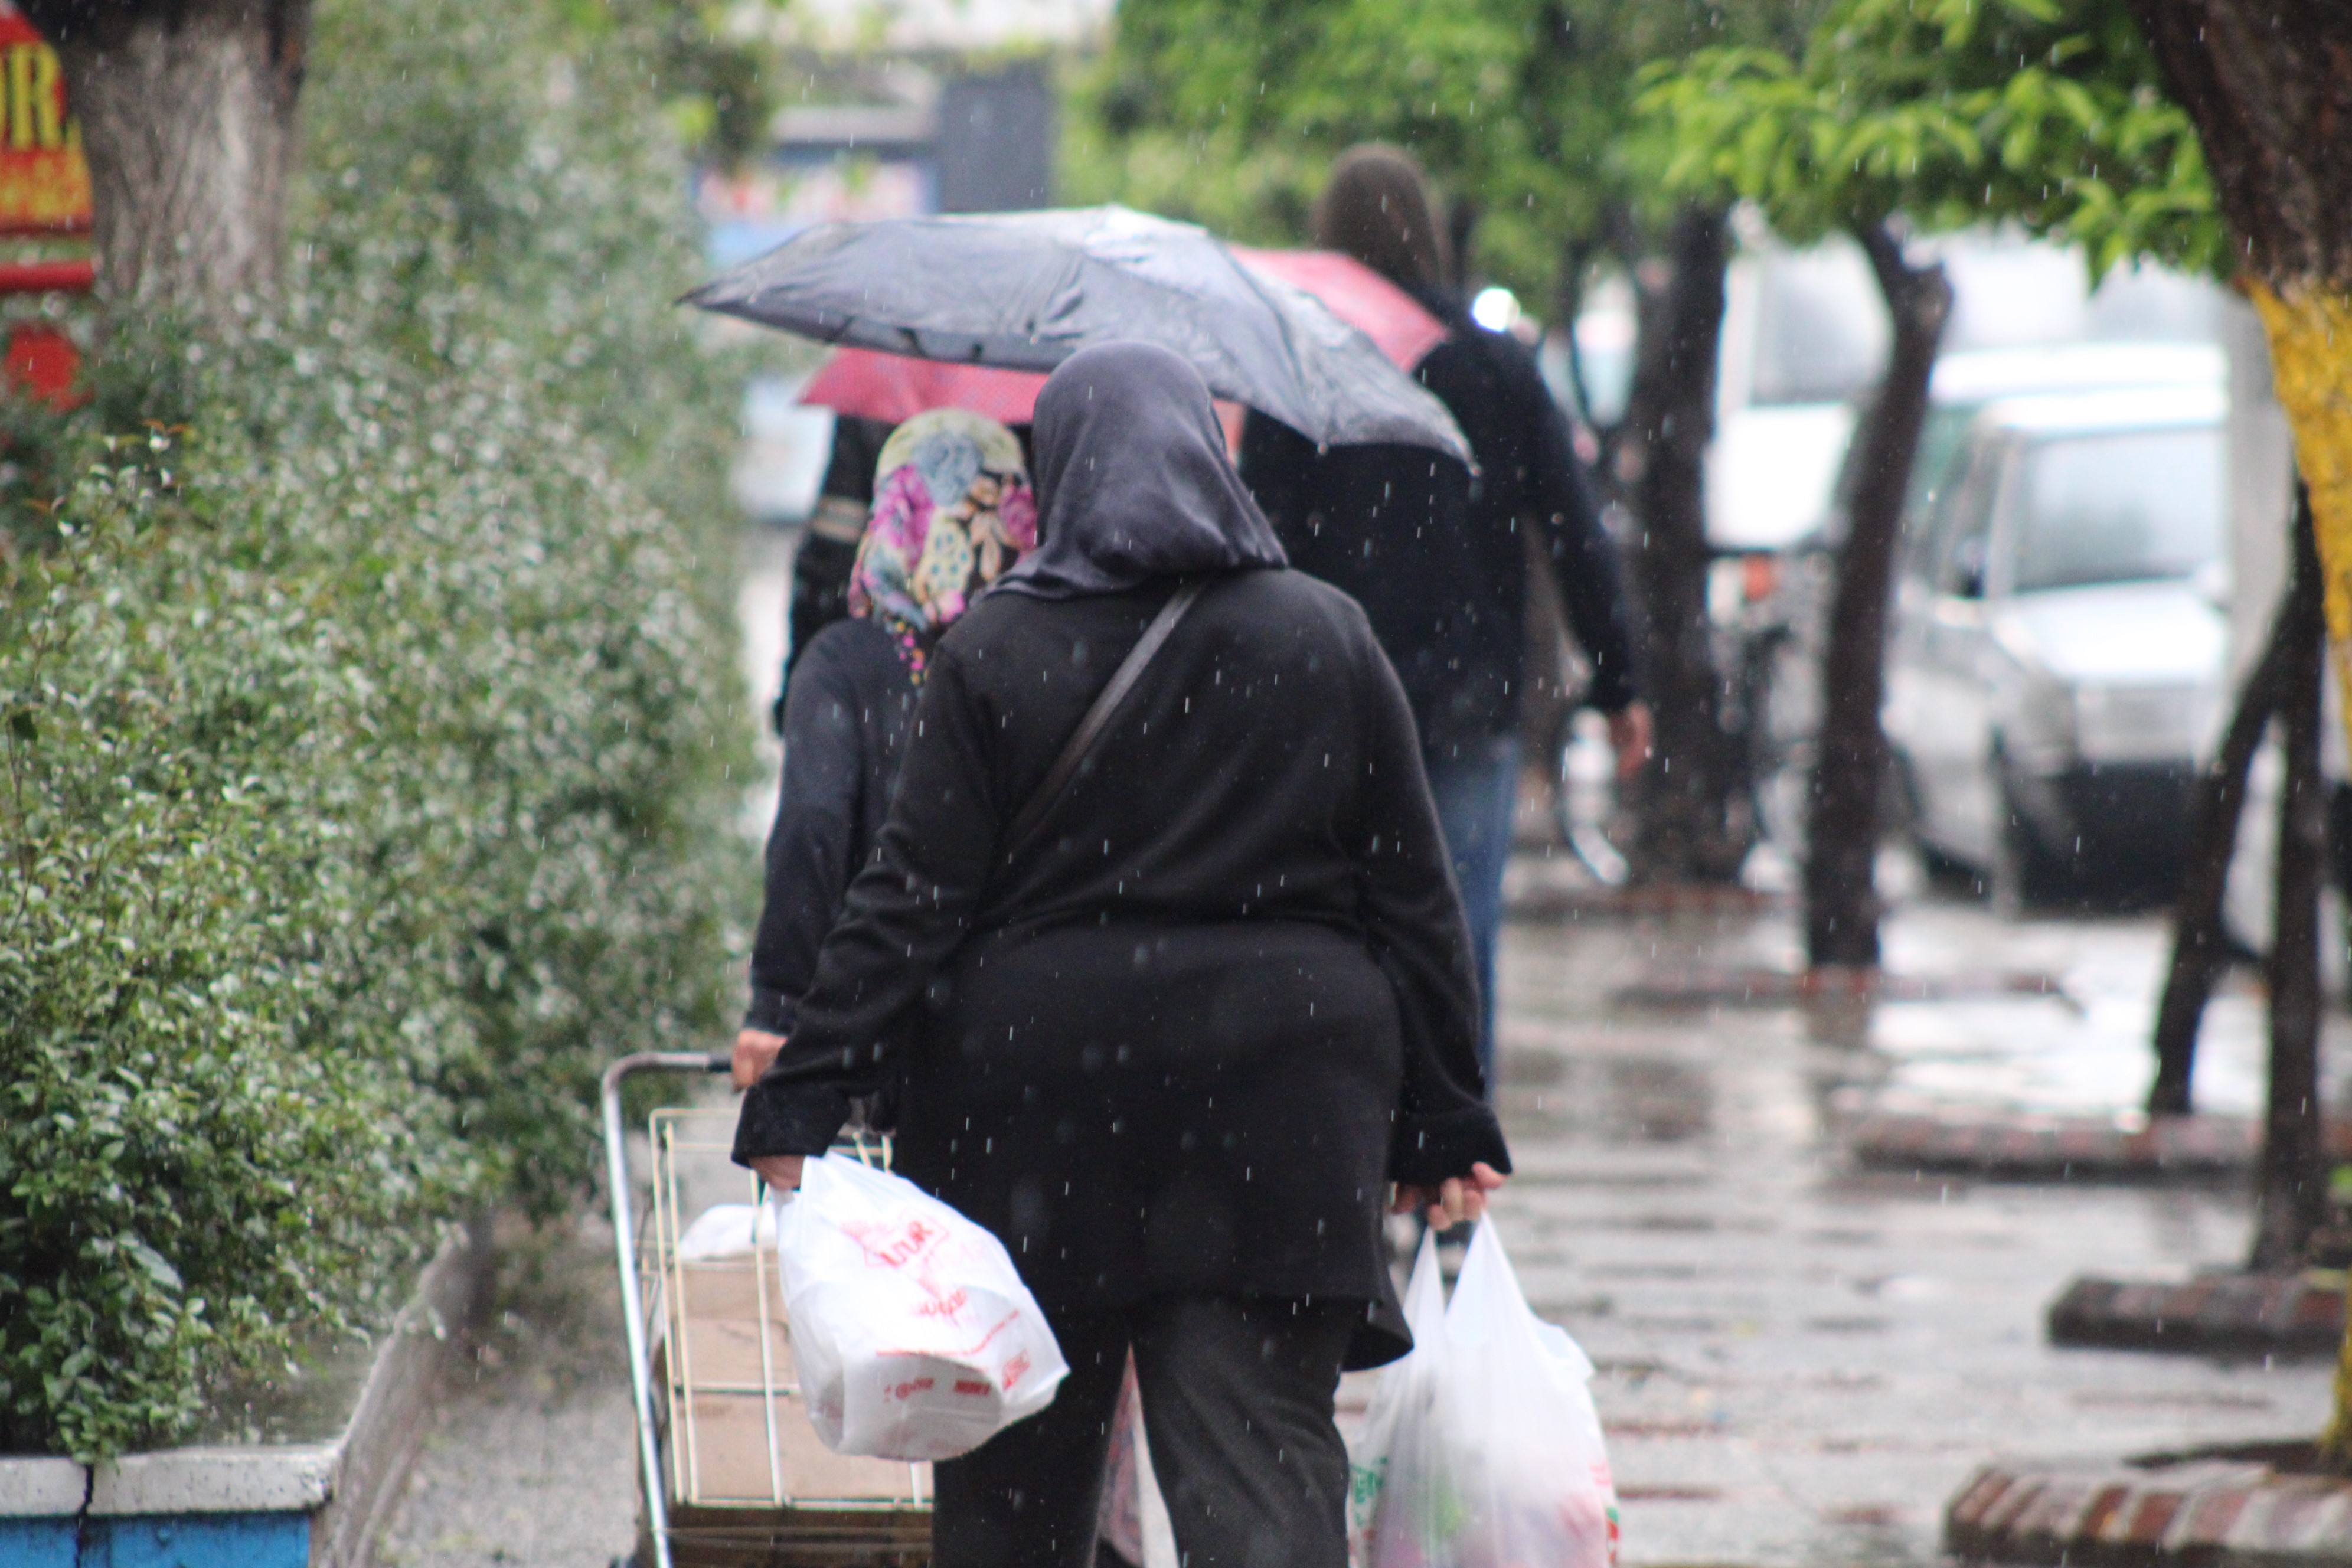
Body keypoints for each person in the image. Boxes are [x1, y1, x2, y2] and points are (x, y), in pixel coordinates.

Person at [733, 342, 1510, 1568]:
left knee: (1017, 1507)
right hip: (1279, 1124)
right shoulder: (1326, 636)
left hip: (1035, 1131)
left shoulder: (996, 649)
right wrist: (1445, 1119)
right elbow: (1415, 900)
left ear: (1061, 473)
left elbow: (909, 900)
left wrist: (804, 1089)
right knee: (1261, 1496)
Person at [1240, 143, 1652, 1081]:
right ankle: (1453, 1145)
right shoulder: (1492, 365)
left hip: (1333, 700)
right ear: (1425, 232)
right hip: (1466, 695)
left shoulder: (1299, 370)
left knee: (1337, 936)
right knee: (1459, 940)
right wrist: (1619, 679)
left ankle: (1351, 1128)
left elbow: (1258, 538)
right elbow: (1574, 529)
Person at [734, 410, 1037, 1084]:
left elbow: (813, 825)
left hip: (873, 1012)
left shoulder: (844, 662)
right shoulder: (1041, 658)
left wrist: (778, 1005)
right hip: (1016, 1021)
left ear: (894, 512)